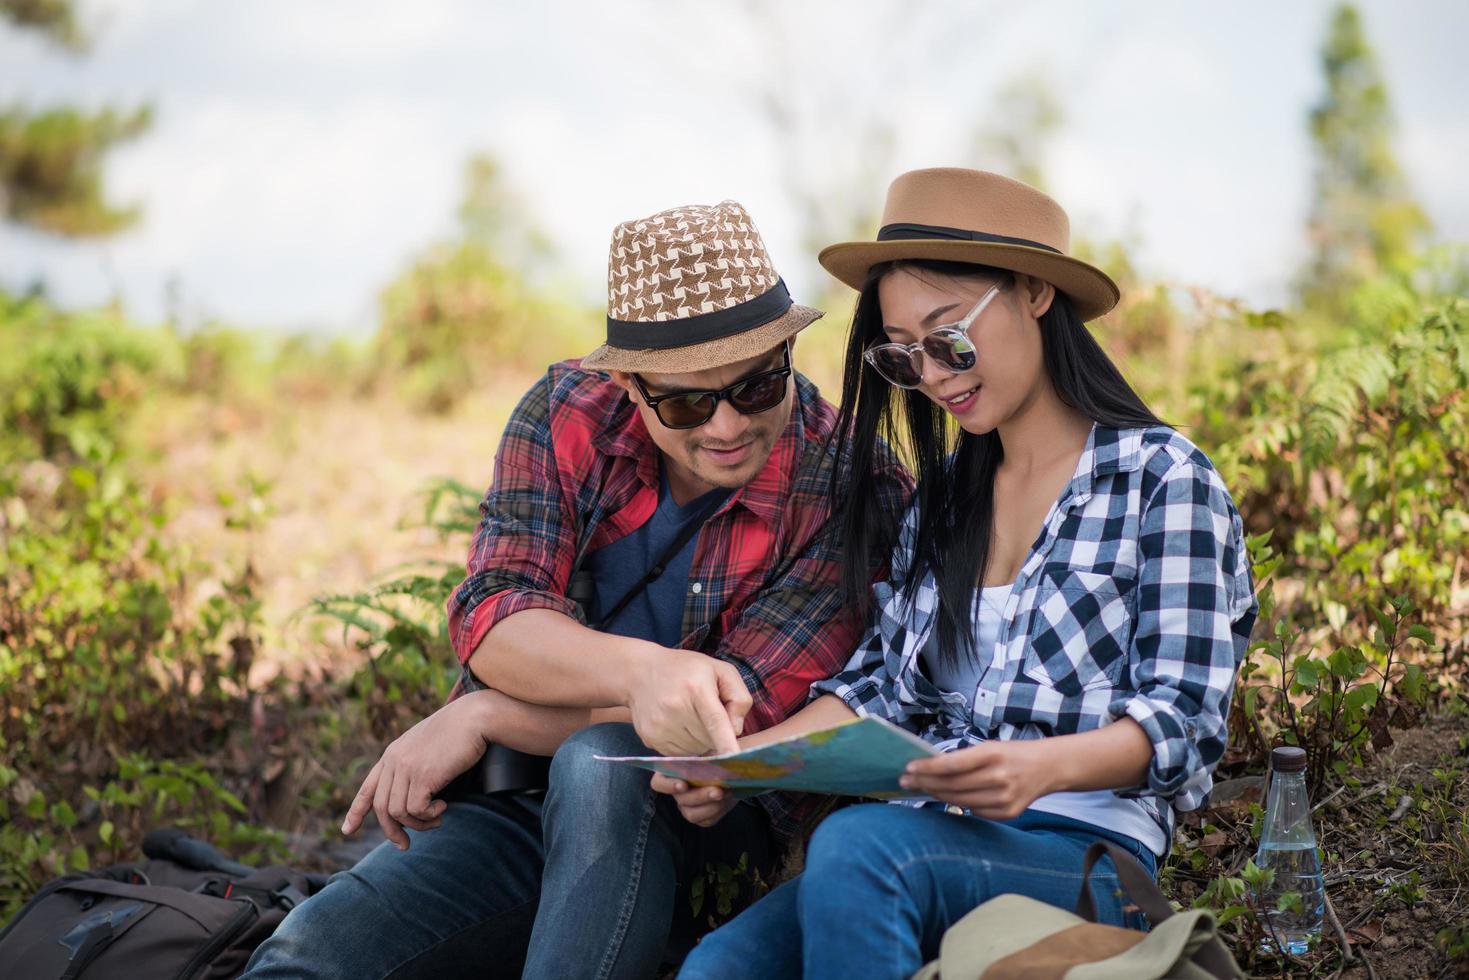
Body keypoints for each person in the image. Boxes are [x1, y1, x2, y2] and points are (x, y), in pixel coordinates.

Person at [242, 201, 912, 980]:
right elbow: (497, 615)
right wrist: (642, 673)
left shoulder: (855, 488)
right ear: (628, 384)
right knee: (306, 959)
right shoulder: (567, 412)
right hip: (518, 803)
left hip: (699, 826)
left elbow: (720, 725)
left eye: (758, 387)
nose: (727, 425)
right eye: (688, 402)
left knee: (600, 762)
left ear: (790, 349)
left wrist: (491, 712)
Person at [666, 169, 1259, 979]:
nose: (936, 376)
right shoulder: (945, 500)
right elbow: (879, 687)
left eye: (949, 339)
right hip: (924, 841)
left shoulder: (1162, 480)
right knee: (715, 970)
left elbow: (1184, 719)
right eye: (904, 358)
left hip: (1081, 854)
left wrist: (1034, 768)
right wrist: (739, 769)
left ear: (1033, 292)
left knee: (857, 847)